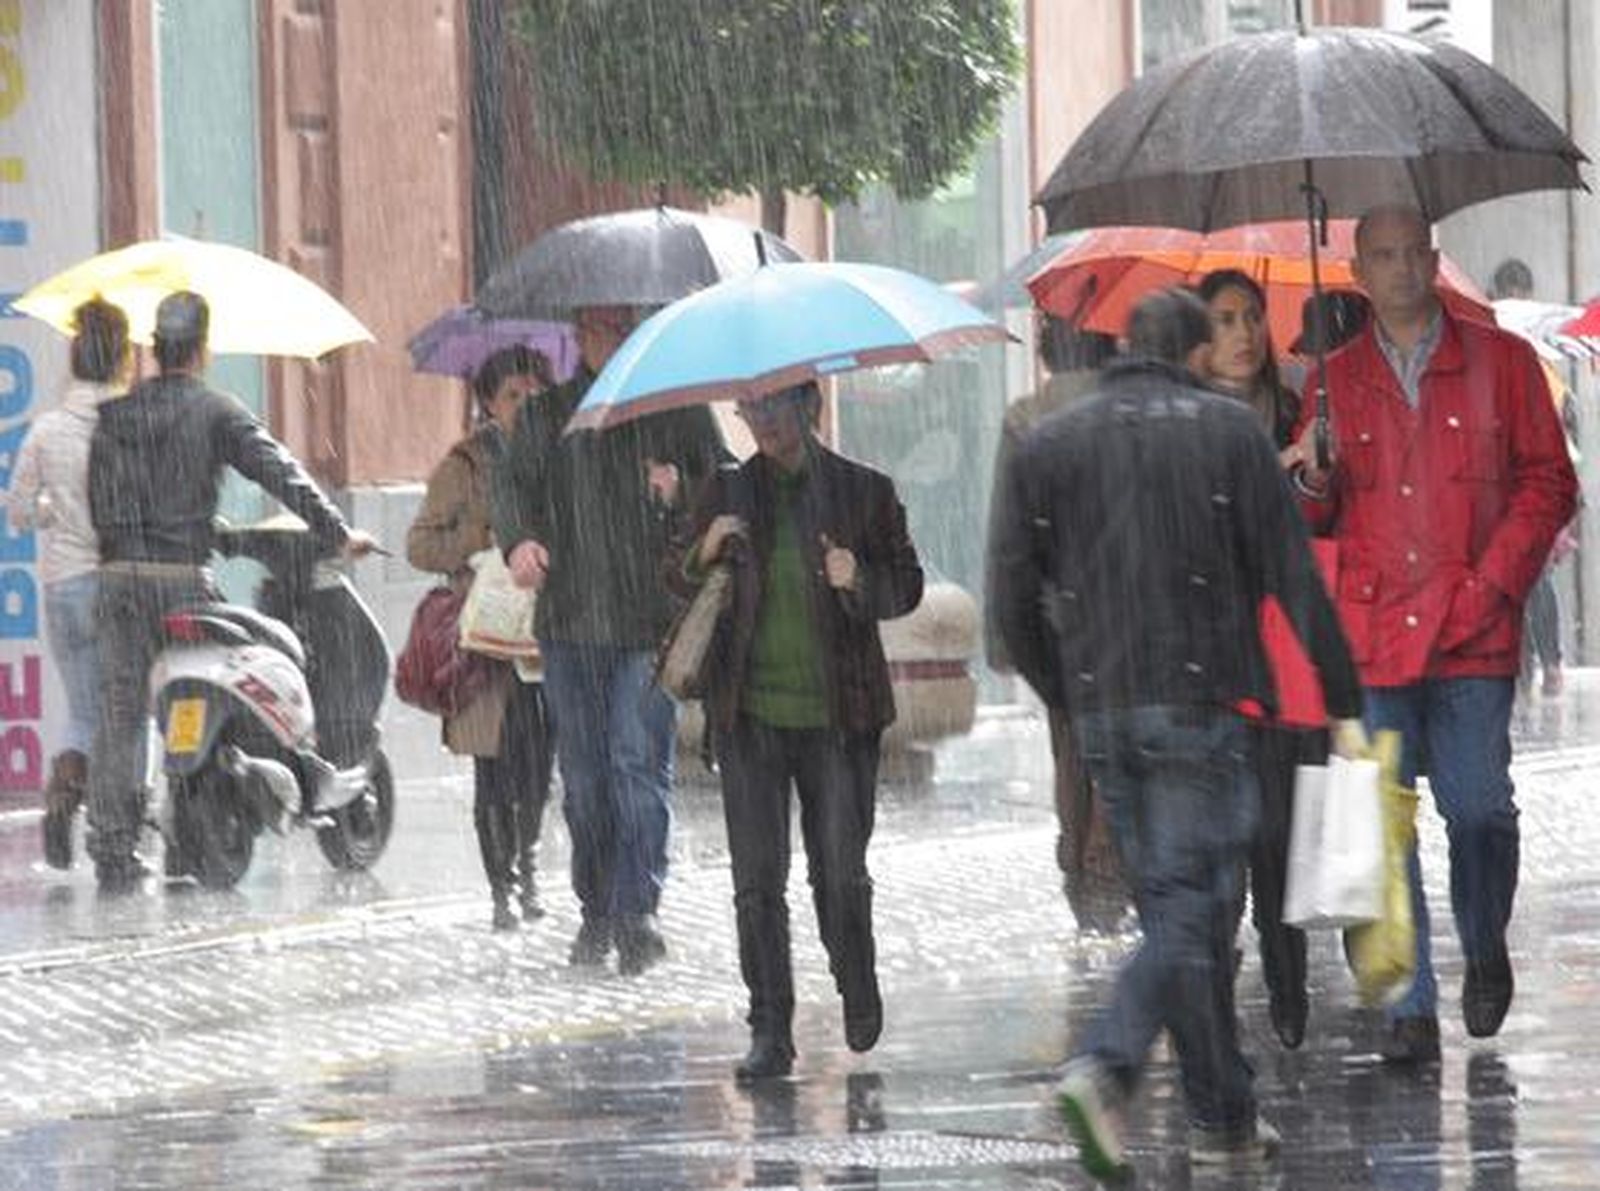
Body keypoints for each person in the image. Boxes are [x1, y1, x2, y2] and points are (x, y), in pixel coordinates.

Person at [994, 288, 1365, 1179]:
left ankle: (1223, 1115)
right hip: (1201, 703)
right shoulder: (1228, 434)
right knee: (1192, 907)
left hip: (1105, 710)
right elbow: (1292, 579)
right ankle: (1108, 1062)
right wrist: (1343, 696)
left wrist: (1069, 688)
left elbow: (1011, 594)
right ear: (1197, 355)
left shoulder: (1049, 444)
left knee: (1174, 912)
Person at [1291, 208, 1579, 1065]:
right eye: (1383, 256)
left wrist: (1494, 584)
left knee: (1479, 806)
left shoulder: (1503, 363)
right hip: (1375, 635)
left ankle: (1484, 941)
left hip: (1472, 629)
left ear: (1435, 259)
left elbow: (1549, 484)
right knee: (1387, 821)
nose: (1403, 269)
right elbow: (1315, 515)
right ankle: (1408, 1002)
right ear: (1358, 274)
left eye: (1415, 252)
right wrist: (1314, 475)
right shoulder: (1331, 383)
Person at [87, 290, 374, 892]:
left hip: (116, 580)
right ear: (203, 350)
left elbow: (102, 503)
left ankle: (113, 847)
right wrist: (336, 530)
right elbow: (280, 470)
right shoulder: (216, 410)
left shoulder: (112, 418)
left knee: (119, 716)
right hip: (182, 580)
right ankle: (247, 779)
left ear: (156, 349)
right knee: (244, 670)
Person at [679, 380, 923, 1081]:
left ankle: (856, 972)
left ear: (809, 408)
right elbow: (672, 577)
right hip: (749, 717)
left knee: (839, 874)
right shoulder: (727, 493)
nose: (761, 423)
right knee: (757, 882)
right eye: (749, 410)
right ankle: (769, 1028)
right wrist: (704, 549)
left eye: (774, 409)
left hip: (839, 719)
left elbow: (904, 584)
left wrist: (858, 578)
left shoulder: (863, 491)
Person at [490, 304, 724, 975]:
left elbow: (723, 480)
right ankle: (596, 907)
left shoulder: (676, 411)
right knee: (587, 779)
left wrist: (683, 487)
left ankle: (638, 910)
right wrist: (520, 540)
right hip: (569, 625)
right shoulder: (546, 416)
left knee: (636, 763)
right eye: (598, 327)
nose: (610, 339)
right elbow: (511, 488)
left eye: (623, 327)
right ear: (577, 336)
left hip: (651, 626)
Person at [1197, 268, 1331, 1051]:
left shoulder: (1303, 407)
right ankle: (1213, 999)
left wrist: (1313, 469)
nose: (1243, 333)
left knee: (1281, 834)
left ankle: (1288, 981)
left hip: (1291, 658)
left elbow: (1328, 521)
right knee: (1222, 846)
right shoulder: (1187, 424)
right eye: (1224, 320)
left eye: (1252, 316)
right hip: (1214, 661)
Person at [983, 313, 1124, 931]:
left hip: (1056, 621)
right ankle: (1114, 854)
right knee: (1124, 739)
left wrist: (1002, 633)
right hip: (1128, 613)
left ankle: (1080, 861)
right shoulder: (1134, 407)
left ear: (1045, 348)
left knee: (1072, 743)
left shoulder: (1025, 419)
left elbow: (1005, 539)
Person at [407, 346, 556, 931]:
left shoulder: (556, 458)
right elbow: (421, 545)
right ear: (488, 403)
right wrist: (477, 536)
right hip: (481, 638)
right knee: (493, 767)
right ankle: (504, 888)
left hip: (542, 634)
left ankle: (528, 861)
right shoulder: (464, 465)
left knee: (539, 765)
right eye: (512, 395)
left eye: (533, 393)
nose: (524, 405)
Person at [4, 299, 131, 870]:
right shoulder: (131, 422)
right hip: (119, 584)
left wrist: (56, 509)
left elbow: (18, 511)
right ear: (123, 358)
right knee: (132, 710)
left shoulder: (47, 428)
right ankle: (120, 819)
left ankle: (62, 798)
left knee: (83, 707)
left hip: (63, 586)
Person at [1488, 257, 1572, 697]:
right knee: (1526, 579)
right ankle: (1531, 663)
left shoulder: (1538, 369)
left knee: (1533, 578)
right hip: (1510, 492)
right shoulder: (1505, 363)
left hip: (1529, 493)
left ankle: (1543, 662)